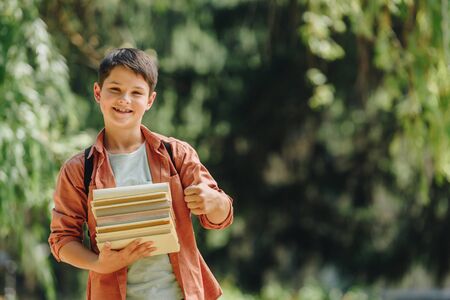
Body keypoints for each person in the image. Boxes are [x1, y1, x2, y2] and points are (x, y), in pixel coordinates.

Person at [48, 48, 233, 300]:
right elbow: (61, 239)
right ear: (97, 92)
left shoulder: (176, 154)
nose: (125, 99)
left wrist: (214, 201)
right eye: (115, 89)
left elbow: (221, 216)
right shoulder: (80, 169)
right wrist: (99, 264)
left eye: (136, 92)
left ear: (150, 100)